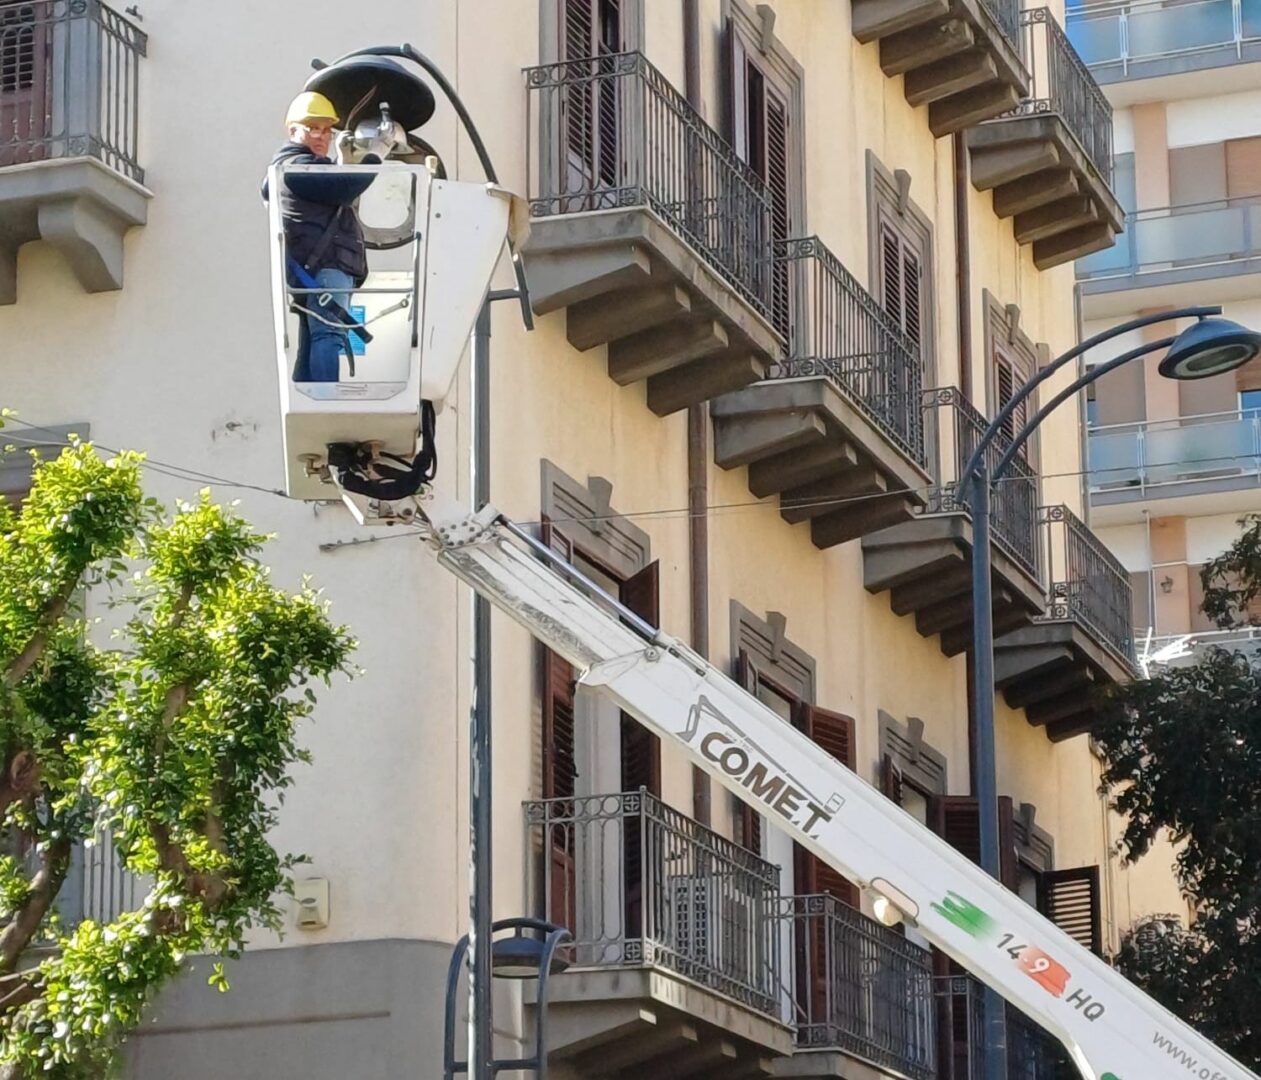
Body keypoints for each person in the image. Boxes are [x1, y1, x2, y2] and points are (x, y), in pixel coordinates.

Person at [263, 91, 378, 383]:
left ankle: (308, 397)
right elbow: (345, 188)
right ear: (293, 131)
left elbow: (335, 189)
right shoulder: (299, 168)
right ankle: (326, 398)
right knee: (328, 333)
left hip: (312, 271)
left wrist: (343, 160)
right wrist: (377, 157)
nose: (322, 136)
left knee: (314, 335)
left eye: (327, 129)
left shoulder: (294, 169)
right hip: (327, 266)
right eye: (314, 128)